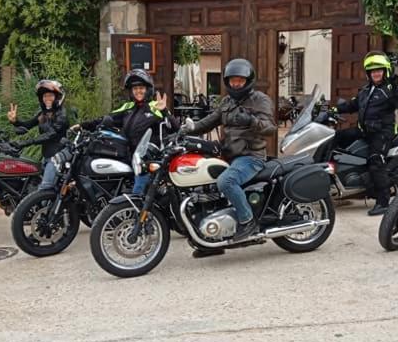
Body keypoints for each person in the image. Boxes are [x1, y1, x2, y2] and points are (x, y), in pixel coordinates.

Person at [183, 58, 276, 255]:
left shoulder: (260, 100)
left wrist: (251, 121)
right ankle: (208, 240)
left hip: (251, 157)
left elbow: (270, 128)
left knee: (226, 181)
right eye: (233, 80)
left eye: (240, 80)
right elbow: (209, 122)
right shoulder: (227, 102)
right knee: (200, 186)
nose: (236, 84)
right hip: (228, 155)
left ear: (248, 80)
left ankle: (247, 221)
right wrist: (189, 128)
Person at [334, 51, 398, 216]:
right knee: (337, 137)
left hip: (382, 133)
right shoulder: (366, 90)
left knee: (376, 161)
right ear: (369, 73)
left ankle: (383, 202)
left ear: (385, 71)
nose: (376, 73)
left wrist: (396, 85)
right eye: (373, 71)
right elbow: (351, 105)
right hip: (364, 131)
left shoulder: (389, 89)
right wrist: (331, 109)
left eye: (379, 70)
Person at [84, 69, 179, 196]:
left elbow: (175, 127)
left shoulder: (156, 106)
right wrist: (82, 126)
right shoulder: (127, 108)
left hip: (147, 161)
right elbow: (105, 119)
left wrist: (165, 111)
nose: (138, 91)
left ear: (147, 89)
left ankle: (138, 213)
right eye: (135, 89)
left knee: (137, 196)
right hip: (129, 158)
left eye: (141, 88)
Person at [7, 79, 71, 191]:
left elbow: (49, 135)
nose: (47, 99)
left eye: (50, 95)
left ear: (58, 97)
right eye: (45, 96)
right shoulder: (42, 114)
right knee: (31, 184)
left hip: (57, 158)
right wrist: (15, 121)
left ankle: (45, 208)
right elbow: (27, 125)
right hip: (46, 157)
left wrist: (25, 143)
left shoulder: (62, 115)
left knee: (44, 189)